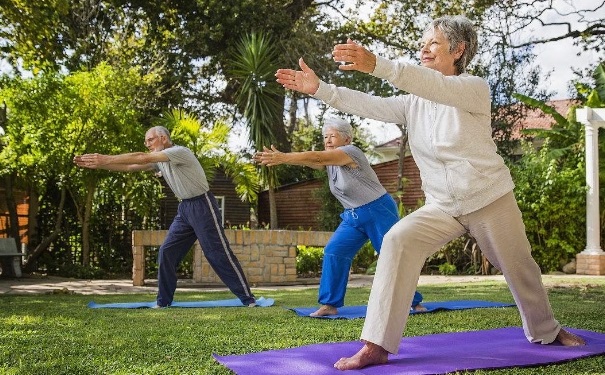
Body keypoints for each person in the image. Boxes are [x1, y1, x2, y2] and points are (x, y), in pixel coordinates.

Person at [275, 14, 585, 370]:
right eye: (423, 42)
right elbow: (369, 105)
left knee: (518, 265)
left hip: (489, 198)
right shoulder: (413, 103)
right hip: (443, 206)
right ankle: (376, 345)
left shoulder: (473, 88)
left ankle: (547, 329)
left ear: (459, 50)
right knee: (397, 240)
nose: (424, 48)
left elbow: (435, 86)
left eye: (433, 43)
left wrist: (377, 64)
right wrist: (320, 89)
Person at [254, 117, 425, 317]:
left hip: (378, 211)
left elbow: (318, 158)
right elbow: (313, 160)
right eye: (325, 137)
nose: (327, 140)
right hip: (353, 216)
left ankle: (413, 302)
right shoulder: (331, 162)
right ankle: (330, 304)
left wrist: (284, 157)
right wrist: (285, 159)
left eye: (332, 136)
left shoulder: (351, 153)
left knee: (391, 255)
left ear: (346, 139)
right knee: (334, 251)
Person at [74, 126, 257, 308]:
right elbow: (131, 166)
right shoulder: (160, 160)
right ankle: (163, 302)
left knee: (216, 253)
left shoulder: (179, 152)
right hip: (185, 209)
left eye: (150, 140)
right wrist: (100, 164)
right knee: (167, 252)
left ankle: (248, 299)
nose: (147, 144)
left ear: (163, 138)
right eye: (145, 142)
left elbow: (141, 157)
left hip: (202, 205)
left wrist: (105, 157)